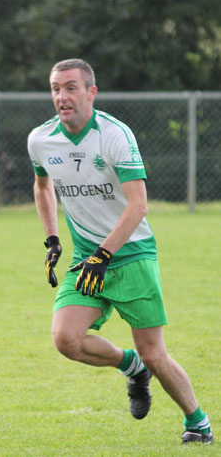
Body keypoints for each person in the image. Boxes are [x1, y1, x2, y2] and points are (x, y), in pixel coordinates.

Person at [27, 58, 214, 444]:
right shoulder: (41, 139)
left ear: (91, 92)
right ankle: (130, 367)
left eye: (71, 87)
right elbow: (42, 185)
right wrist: (52, 238)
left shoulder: (114, 135)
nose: (61, 96)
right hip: (86, 259)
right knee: (66, 339)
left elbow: (138, 205)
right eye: (55, 88)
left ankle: (198, 423)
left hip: (131, 256)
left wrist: (105, 254)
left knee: (154, 353)